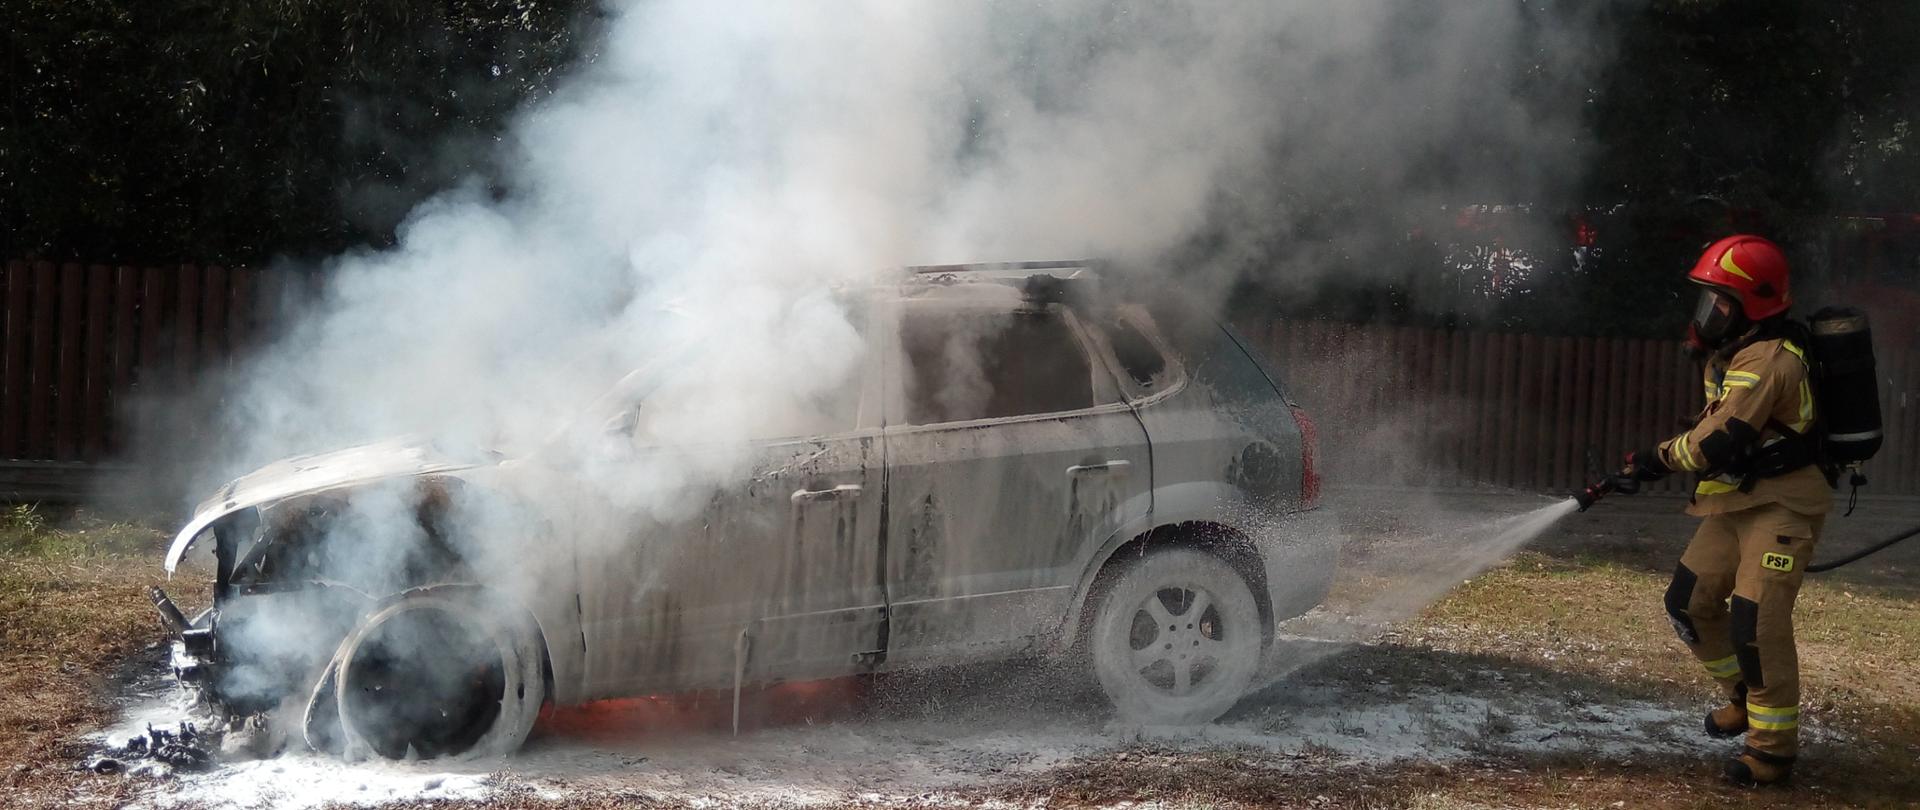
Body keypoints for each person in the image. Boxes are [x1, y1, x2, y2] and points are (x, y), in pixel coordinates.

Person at [1614, 234, 1832, 787]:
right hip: (1739, 501)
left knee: (1757, 623)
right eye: (1705, 302)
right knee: (1688, 603)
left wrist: (1654, 458)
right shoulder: (1740, 354)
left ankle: (1772, 749)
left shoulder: (1769, 362)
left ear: (1753, 305)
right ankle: (1744, 695)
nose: (1707, 315)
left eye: (1720, 303)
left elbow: (1715, 442)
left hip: (1783, 505)